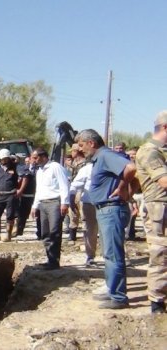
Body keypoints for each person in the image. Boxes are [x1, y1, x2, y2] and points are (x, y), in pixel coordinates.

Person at [76, 129, 139, 310]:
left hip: (111, 210)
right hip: (105, 211)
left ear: (92, 143)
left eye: (82, 145)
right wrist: (127, 190)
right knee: (109, 254)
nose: (80, 150)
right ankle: (113, 290)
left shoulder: (105, 155)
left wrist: (122, 188)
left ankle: (119, 297)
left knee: (113, 255)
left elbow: (131, 169)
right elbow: (135, 178)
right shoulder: (100, 159)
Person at [135, 111, 167, 314]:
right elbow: (164, 181)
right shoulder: (150, 151)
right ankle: (157, 302)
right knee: (161, 255)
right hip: (159, 209)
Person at [31, 147, 70, 270]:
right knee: (45, 233)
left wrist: (65, 203)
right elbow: (39, 190)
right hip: (43, 203)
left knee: (54, 232)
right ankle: (50, 259)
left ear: (43, 157)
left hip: (54, 203)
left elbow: (64, 185)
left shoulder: (55, 167)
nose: (33, 161)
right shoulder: (40, 171)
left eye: (35, 158)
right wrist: (34, 206)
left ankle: (54, 261)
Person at [69, 162, 99, 267]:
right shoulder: (87, 169)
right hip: (89, 203)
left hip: (107, 203)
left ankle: (112, 257)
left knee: (108, 230)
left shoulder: (111, 165)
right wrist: (71, 198)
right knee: (90, 230)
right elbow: (76, 184)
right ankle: (90, 256)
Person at [0, 149, 20, 242]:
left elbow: (23, 177)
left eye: (5, 159)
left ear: (8, 158)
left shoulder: (15, 167)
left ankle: (8, 235)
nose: (3, 161)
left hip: (11, 195)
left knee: (10, 216)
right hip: (0, 195)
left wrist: (19, 190)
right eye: (1, 159)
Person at [67, 144, 87, 243]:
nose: (71, 153)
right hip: (73, 189)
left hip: (82, 190)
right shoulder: (74, 163)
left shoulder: (85, 163)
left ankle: (86, 236)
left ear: (76, 151)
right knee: (72, 213)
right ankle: (72, 236)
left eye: (72, 151)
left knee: (84, 214)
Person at [16, 156, 39, 238]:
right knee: (22, 214)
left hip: (37, 195)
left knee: (38, 214)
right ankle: (19, 231)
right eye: (30, 160)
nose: (33, 161)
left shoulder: (40, 169)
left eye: (34, 159)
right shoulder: (22, 169)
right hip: (25, 195)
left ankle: (40, 233)